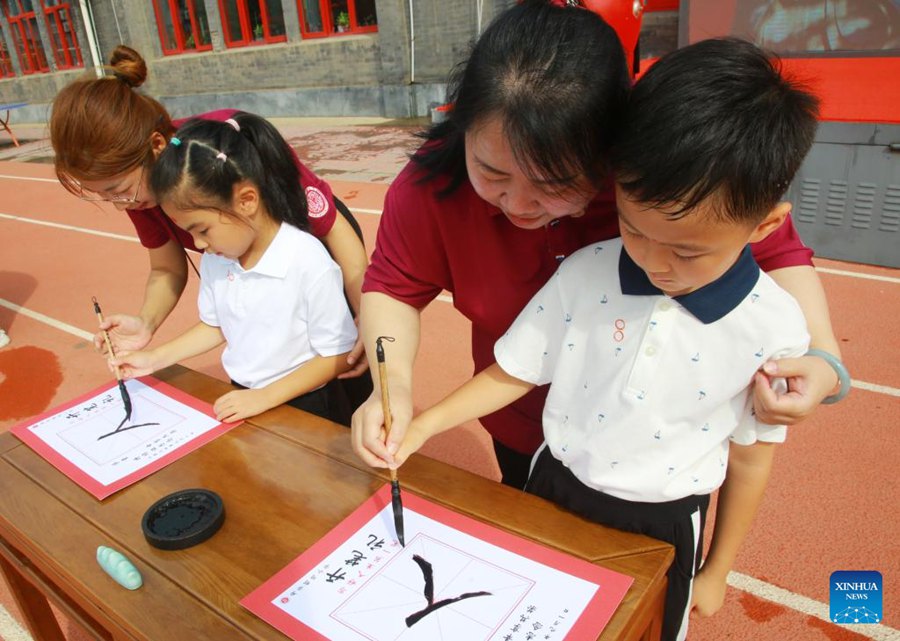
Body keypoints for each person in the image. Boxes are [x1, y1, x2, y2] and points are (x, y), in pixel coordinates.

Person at [385, 37, 826, 641]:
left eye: (687, 252)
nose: (652, 262)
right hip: (552, 478)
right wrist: (423, 419)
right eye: (632, 228)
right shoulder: (590, 268)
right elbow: (512, 368)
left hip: (666, 521)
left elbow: (752, 457)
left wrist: (718, 568)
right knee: (532, 614)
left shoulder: (771, 322)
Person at [351, 0, 847, 489]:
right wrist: (390, 387)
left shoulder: (658, 182)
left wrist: (824, 361)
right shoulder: (431, 185)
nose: (519, 204)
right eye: (493, 172)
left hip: (650, 449)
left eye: (555, 182)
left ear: (612, 148)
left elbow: (776, 251)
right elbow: (393, 288)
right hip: (518, 422)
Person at [49, 46, 370, 386]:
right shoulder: (142, 194)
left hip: (318, 239)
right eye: (105, 196)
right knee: (276, 344)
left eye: (119, 189)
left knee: (347, 358)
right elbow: (166, 268)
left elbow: (332, 228)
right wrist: (146, 322)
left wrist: (366, 312)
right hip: (242, 257)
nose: (120, 204)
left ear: (156, 146)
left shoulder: (224, 148)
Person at [111, 114, 358, 424]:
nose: (198, 244)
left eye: (202, 229)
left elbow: (337, 353)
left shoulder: (306, 259)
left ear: (246, 201)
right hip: (245, 395)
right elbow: (216, 326)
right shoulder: (218, 257)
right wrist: (154, 358)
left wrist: (265, 397)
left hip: (306, 402)